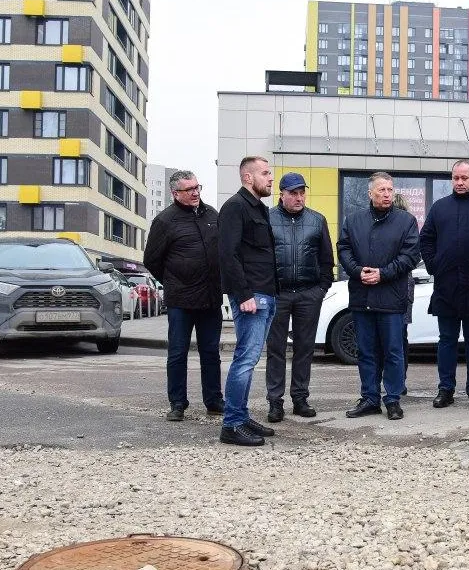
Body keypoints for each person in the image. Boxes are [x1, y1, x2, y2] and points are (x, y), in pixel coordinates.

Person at [337, 172, 420, 420]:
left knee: (393, 351)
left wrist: (382, 274)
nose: (386, 194)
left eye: (390, 190)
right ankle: (369, 398)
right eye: (382, 190)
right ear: (370, 193)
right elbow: (344, 248)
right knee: (366, 351)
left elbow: (410, 256)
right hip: (362, 297)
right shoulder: (353, 221)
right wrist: (356, 270)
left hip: (391, 298)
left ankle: (392, 399)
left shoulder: (405, 221)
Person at [143, 170, 224, 422]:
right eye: (190, 190)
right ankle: (177, 403)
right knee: (178, 353)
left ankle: (214, 400)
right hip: (181, 300)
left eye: (197, 187)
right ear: (175, 193)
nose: (196, 192)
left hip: (210, 298)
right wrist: (175, 280)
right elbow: (152, 260)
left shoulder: (212, 215)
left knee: (211, 352)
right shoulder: (165, 221)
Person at [419, 159, 469, 410]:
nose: (460, 182)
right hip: (447, 284)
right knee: (446, 340)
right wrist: (434, 265)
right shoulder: (440, 207)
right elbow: (426, 239)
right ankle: (446, 389)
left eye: (464, 178)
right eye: (456, 178)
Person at [217, 156, 280, 447]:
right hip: (252, 296)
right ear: (247, 177)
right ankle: (231, 425)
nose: (270, 178)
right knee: (245, 360)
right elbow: (227, 255)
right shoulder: (235, 207)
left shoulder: (259, 208)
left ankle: (240, 417)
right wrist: (243, 295)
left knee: (251, 359)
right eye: (265, 173)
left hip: (266, 294)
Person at [265, 171, 334, 423]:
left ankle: (300, 398)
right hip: (278, 294)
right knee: (276, 349)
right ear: (281, 194)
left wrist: (321, 289)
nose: (299, 197)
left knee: (305, 348)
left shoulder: (317, 220)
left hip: (308, 294)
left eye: (302, 192)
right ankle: (275, 401)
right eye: (293, 193)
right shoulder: (267, 219)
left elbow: (327, 259)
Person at [390, 192, 417, 393]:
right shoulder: (410, 225)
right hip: (405, 285)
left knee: (392, 337)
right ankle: (401, 380)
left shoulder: (401, 226)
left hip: (398, 285)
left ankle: (395, 380)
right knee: (400, 336)